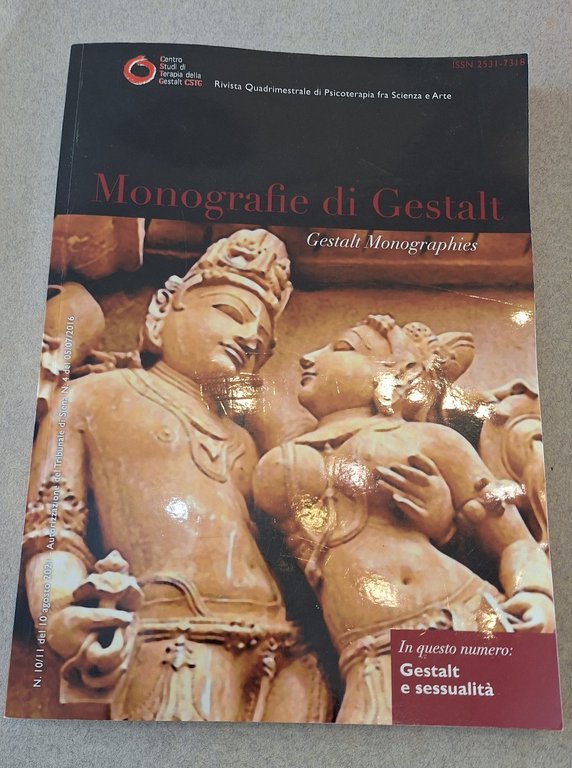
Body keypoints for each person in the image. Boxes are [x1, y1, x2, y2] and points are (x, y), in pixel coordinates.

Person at [23, 228, 330, 722]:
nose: (248, 338)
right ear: (164, 307)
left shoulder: (246, 440)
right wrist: (57, 610)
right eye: (229, 312)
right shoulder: (95, 396)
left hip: (287, 648)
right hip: (179, 633)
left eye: (262, 343)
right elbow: (52, 528)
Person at [253, 314, 555, 724]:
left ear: (398, 373)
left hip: (461, 620)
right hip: (366, 656)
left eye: (343, 348)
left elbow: (513, 541)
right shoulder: (284, 448)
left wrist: (536, 594)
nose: (308, 356)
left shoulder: (427, 439)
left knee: (493, 744)